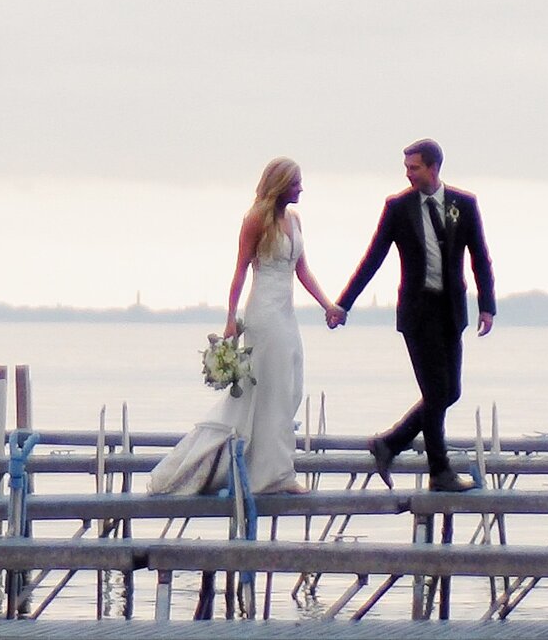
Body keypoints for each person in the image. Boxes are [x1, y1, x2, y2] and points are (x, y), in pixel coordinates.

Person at [149, 157, 339, 496]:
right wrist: (230, 318)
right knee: (274, 387)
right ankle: (276, 475)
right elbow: (239, 271)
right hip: (263, 313)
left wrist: (329, 305)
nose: (301, 189)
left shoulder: (295, 220)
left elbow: (302, 270)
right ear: (280, 184)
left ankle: (265, 466)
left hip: (286, 312)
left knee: (289, 387)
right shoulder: (255, 220)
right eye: (296, 183)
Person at [331, 137, 495, 492]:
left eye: (414, 168)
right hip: (418, 314)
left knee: (451, 392)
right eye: (406, 168)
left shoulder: (463, 205)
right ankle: (440, 471)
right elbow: (372, 259)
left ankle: (389, 442)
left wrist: (487, 306)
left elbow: (479, 255)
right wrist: (344, 304)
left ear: (433, 168)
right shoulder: (398, 208)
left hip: (450, 309)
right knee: (436, 391)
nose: (408, 174)